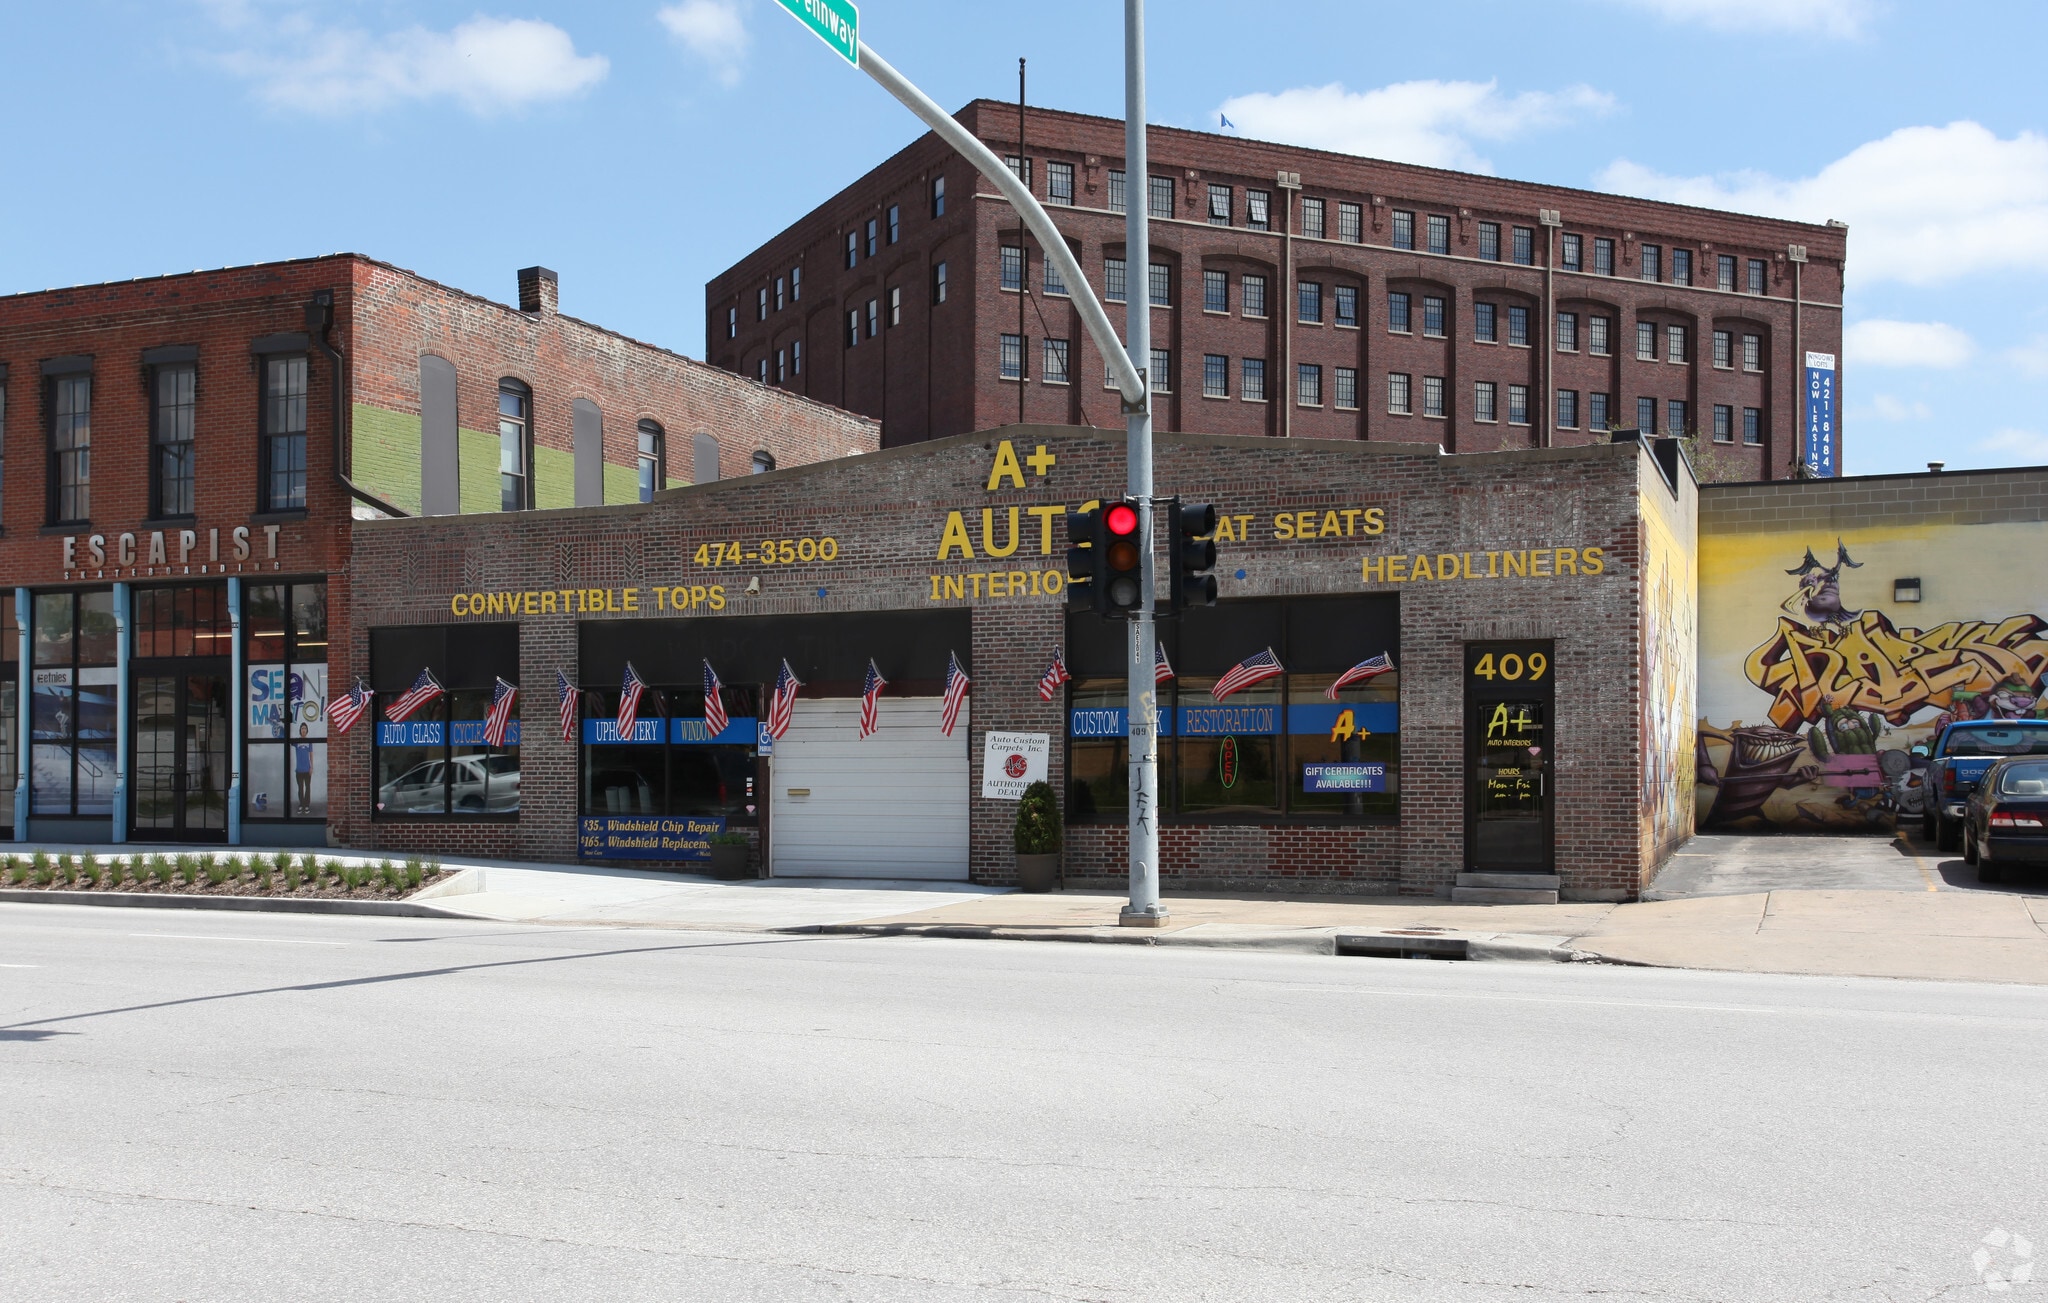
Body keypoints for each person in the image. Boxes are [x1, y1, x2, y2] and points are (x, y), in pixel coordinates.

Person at [295, 724, 314, 815]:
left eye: (305, 728)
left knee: (308, 788)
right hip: (299, 769)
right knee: (300, 788)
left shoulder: (309, 742)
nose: (303, 730)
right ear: (300, 730)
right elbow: (288, 741)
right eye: (302, 728)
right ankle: (301, 804)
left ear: (307, 730)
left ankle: (306, 805)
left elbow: (311, 754)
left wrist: (311, 767)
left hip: (307, 769)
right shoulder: (296, 741)